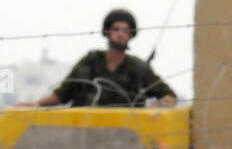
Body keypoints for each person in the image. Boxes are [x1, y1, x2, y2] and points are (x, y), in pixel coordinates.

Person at [19, 8, 177, 108]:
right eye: (116, 29)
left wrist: (158, 107)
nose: (120, 34)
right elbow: (63, 93)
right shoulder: (90, 61)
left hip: (123, 138)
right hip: (84, 133)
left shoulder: (138, 67)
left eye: (125, 30)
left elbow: (168, 95)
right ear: (107, 32)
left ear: (131, 34)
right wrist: (38, 104)